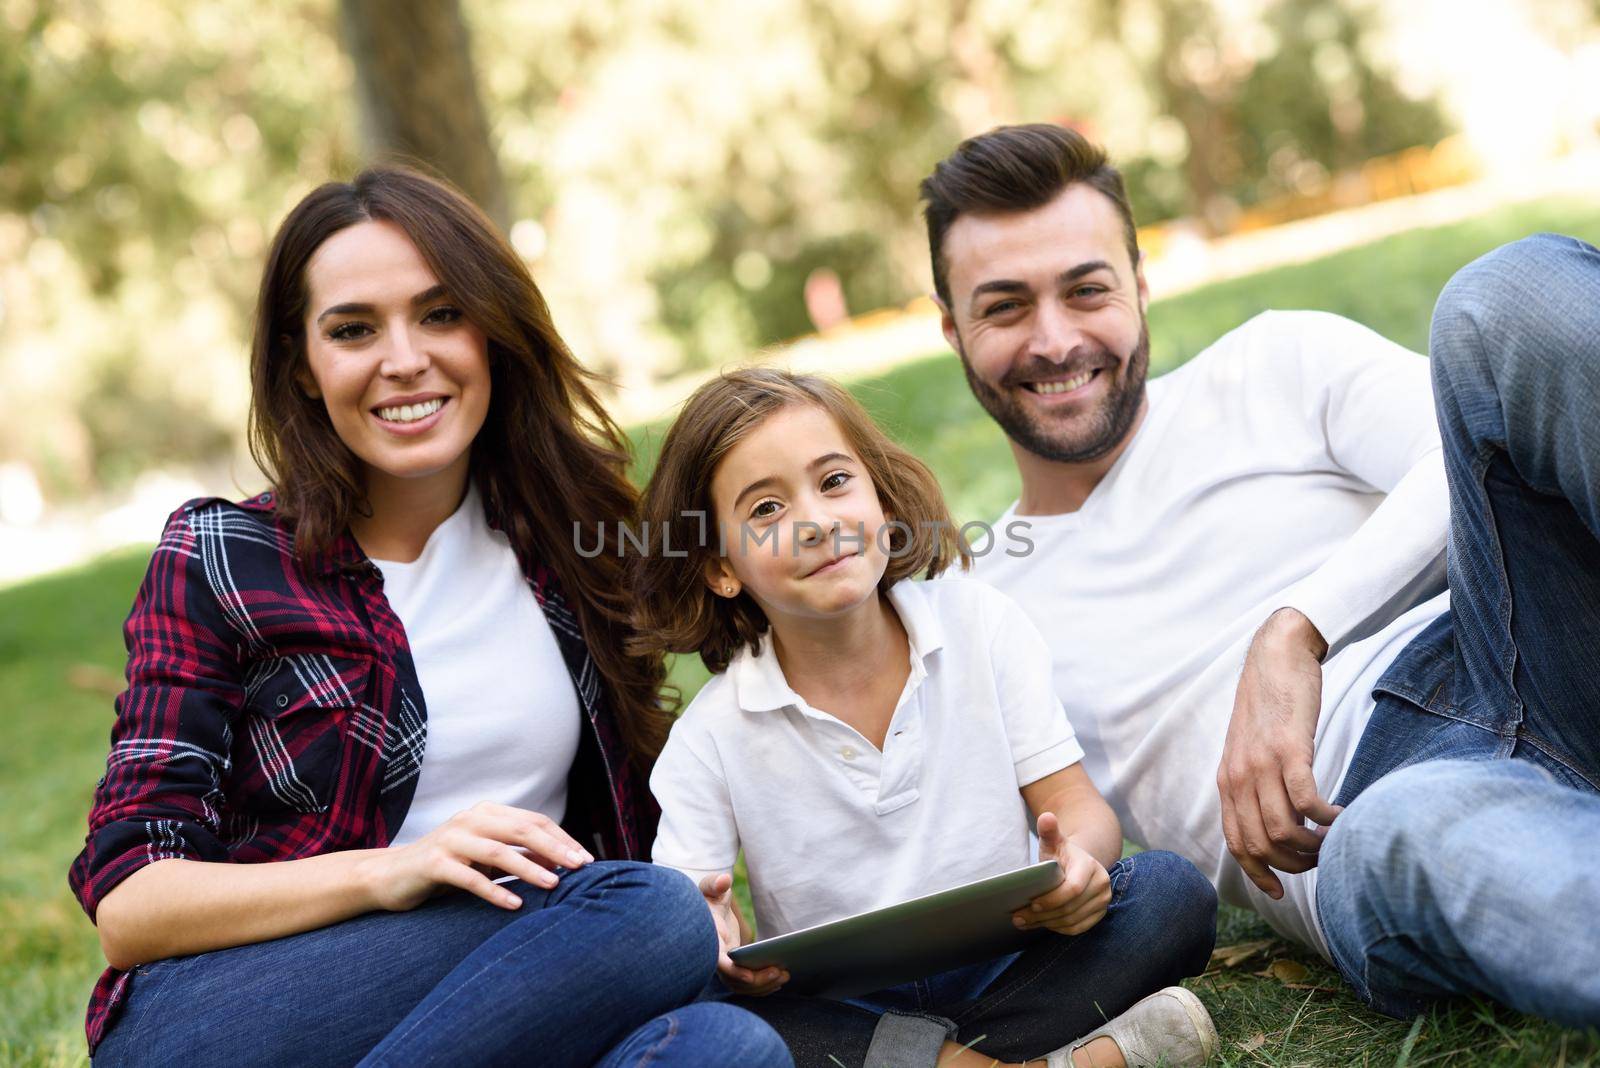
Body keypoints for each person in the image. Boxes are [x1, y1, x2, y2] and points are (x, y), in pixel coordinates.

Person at [68, 165, 792, 1067]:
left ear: (494, 332)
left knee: (723, 1047)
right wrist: (393, 871)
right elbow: (131, 903)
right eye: (353, 329)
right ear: (302, 364)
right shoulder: (222, 559)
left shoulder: (575, 546)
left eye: (441, 313)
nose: (404, 358)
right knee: (645, 911)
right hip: (237, 1018)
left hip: (514, 1003)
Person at [928, 123, 1600, 1025]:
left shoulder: (1274, 363)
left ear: (1139, 284)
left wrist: (1297, 630)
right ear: (951, 329)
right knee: (1414, 837)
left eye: (1087, 290)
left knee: (1504, 297)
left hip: (1529, 633)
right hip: (1370, 812)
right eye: (1005, 307)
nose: (1055, 341)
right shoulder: (980, 608)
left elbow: (1468, 442)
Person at [628, 367, 1221, 1068]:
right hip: (844, 1007)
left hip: (1017, 963)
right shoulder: (711, 736)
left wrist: (1079, 870)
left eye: (835, 482)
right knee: (704, 1014)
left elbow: (1077, 810)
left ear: (878, 495)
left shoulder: (980, 623)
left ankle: (933, 1061)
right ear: (720, 567)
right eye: (765, 510)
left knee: (1169, 893)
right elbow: (693, 917)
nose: (817, 523)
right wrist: (717, 932)